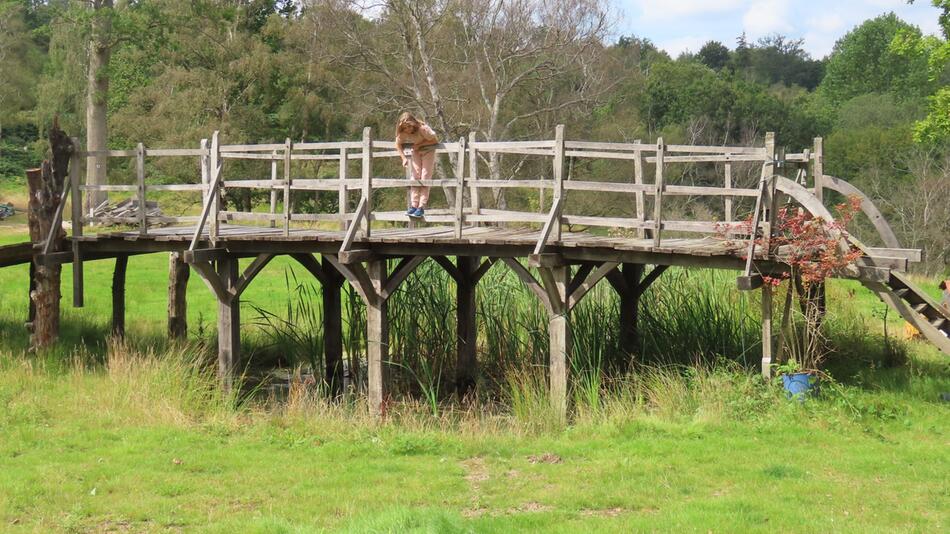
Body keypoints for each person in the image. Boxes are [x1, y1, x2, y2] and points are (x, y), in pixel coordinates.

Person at [395, 112, 438, 218]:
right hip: (416, 152)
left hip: (428, 151)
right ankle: (413, 206)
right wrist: (403, 158)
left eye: (409, 126)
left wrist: (420, 145)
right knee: (415, 176)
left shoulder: (423, 129)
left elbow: (435, 140)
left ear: (413, 123)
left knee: (425, 176)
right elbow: (398, 144)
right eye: (405, 128)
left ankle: (421, 207)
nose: (408, 130)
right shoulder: (403, 132)